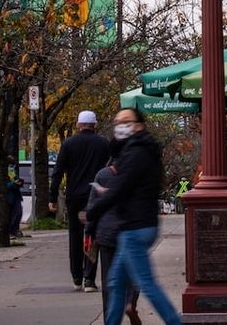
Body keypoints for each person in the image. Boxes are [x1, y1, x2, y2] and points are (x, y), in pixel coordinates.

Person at [85, 108, 182, 325]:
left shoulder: (136, 152)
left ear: (139, 124)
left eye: (126, 121)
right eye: (117, 121)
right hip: (137, 225)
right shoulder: (141, 149)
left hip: (135, 228)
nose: (120, 126)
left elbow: (120, 187)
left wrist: (93, 211)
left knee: (146, 283)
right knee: (116, 283)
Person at [50, 109, 110, 292]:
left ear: (78, 125)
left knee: (75, 236)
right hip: (97, 196)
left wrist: (52, 197)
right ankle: (89, 279)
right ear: (95, 125)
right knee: (92, 236)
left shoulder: (69, 144)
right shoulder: (104, 144)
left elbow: (58, 172)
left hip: (75, 197)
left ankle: (76, 276)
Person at [84, 139, 142, 324]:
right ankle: (130, 302)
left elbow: (93, 208)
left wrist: (89, 232)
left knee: (109, 278)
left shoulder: (102, 174)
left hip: (107, 233)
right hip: (131, 231)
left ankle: (110, 318)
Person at [6, 156, 25, 239]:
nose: (12, 167)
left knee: (18, 213)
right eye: (10, 165)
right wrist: (14, 184)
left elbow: (15, 179)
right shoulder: (4, 172)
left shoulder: (12, 172)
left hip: (16, 195)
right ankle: (10, 231)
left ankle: (14, 230)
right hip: (10, 197)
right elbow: (5, 185)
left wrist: (19, 182)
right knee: (12, 215)